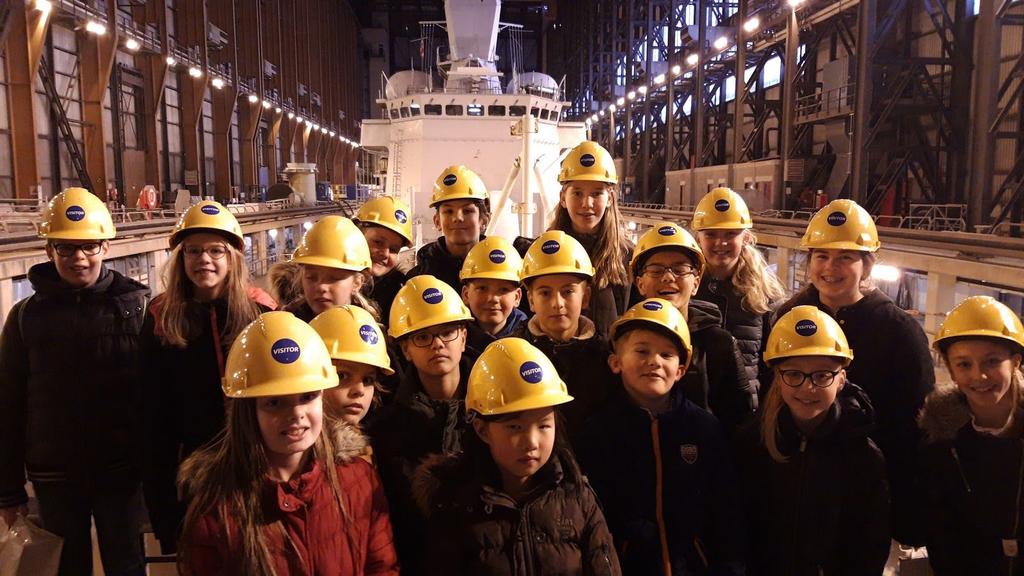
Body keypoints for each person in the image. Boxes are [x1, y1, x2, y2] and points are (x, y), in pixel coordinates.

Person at [177, 311, 398, 575]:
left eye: (307, 397)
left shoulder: (358, 479)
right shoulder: (216, 509)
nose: (296, 414)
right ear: (249, 411)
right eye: (274, 402)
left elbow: (382, 567)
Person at [0, 188, 150, 575]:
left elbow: (157, 398)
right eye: (66, 248)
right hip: (55, 476)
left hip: (122, 470)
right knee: (66, 566)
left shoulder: (137, 310)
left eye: (88, 247)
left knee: (127, 562)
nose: (78, 258)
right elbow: (9, 405)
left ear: (105, 247)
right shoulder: (24, 318)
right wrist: (8, 489)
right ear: (50, 251)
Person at [775, 198, 933, 545]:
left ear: (867, 265)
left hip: (867, 491)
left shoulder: (898, 331)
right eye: (822, 256)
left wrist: (906, 512)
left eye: (845, 256)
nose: (831, 267)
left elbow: (914, 425)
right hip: (798, 481)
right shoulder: (788, 317)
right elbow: (772, 400)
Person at [413, 338, 622, 575]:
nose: (532, 443)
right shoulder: (456, 505)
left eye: (543, 426)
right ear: (482, 430)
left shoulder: (577, 498)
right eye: (515, 427)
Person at [140, 200, 276, 554]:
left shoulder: (262, 312)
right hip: (191, 473)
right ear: (181, 260)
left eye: (216, 250)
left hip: (256, 467)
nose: (204, 259)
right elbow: (152, 416)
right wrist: (163, 508)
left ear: (233, 257)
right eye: (193, 251)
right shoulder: (160, 318)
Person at [577, 299, 745, 575]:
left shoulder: (704, 429)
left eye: (667, 355)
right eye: (642, 351)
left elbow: (726, 511)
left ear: (680, 370)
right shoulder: (598, 432)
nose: (654, 361)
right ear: (615, 362)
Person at [735, 305, 891, 575]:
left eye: (822, 375)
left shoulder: (862, 456)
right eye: (794, 374)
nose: (808, 387)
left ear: (841, 380)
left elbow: (870, 545)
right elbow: (734, 525)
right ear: (778, 378)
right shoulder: (752, 443)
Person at [367, 275, 474, 573]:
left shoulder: (496, 411)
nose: (438, 344)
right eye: (423, 336)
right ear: (405, 350)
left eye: (448, 332)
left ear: (464, 338)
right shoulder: (386, 430)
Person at [918, 296, 1024, 575]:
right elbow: (940, 528)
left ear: (1015, 362)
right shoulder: (941, 439)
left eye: (991, 361)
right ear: (951, 371)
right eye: (964, 364)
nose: (980, 376)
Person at [632, 221, 755, 434]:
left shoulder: (718, 345)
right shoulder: (625, 343)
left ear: (696, 283)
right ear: (640, 283)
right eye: (655, 269)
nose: (668, 277)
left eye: (680, 269)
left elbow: (740, 422)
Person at [513, 230, 616, 442]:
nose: (557, 303)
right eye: (545, 293)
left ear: (585, 297)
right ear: (531, 300)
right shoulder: (513, 356)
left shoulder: (606, 358)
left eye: (568, 292)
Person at [692, 187, 786, 394]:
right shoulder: (686, 288)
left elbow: (773, 365)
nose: (720, 242)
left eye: (731, 234)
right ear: (698, 238)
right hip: (695, 403)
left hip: (745, 410)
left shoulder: (765, 294)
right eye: (710, 234)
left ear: (745, 238)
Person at [544, 141, 633, 336]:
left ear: (609, 198)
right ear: (562, 198)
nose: (587, 203)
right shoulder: (543, 252)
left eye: (596, 193)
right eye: (577, 193)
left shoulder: (628, 256)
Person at [310, 305, 394, 429]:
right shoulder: (294, 447)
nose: (359, 390)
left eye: (368, 380)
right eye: (342, 376)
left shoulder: (365, 445)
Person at [408, 166, 490, 291]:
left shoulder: (504, 270)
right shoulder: (418, 280)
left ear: (484, 220)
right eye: (448, 211)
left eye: (467, 210)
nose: (457, 218)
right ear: (437, 222)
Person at [285, 215, 376, 322]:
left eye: (334, 278)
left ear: (357, 283)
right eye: (311, 277)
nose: (321, 287)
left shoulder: (372, 333)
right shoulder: (284, 329)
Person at [459, 235, 527, 354]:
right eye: (482, 288)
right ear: (465, 294)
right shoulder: (454, 342)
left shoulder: (529, 343)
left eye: (504, 290)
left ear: (517, 297)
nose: (493, 298)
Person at [354, 196, 415, 323]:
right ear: (357, 233)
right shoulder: (332, 281)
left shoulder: (399, 294)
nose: (385, 253)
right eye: (378, 242)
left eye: (393, 249)